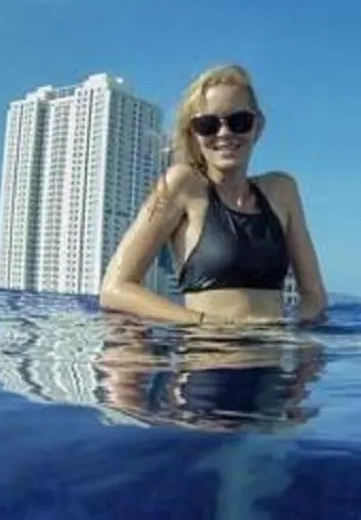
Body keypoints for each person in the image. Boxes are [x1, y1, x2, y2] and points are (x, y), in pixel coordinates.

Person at [100, 63, 328, 327]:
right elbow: (114, 289)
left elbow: (314, 297)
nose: (225, 133)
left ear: (258, 125)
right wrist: (208, 324)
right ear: (193, 134)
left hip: (270, 359)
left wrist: (284, 329)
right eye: (208, 125)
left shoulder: (283, 190)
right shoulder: (182, 185)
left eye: (238, 121)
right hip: (206, 358)